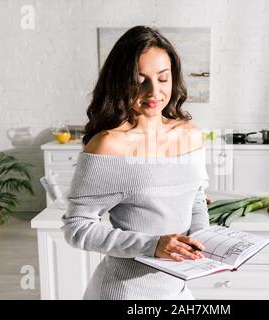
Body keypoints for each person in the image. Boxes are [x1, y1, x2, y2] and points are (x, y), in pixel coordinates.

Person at [61, 25, 210, 300]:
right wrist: (152, 245)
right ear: (120, 83)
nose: (154, 92)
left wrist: (207, 244)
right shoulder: (109, 145)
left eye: (163, 79)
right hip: (124, 293)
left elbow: (196, 200)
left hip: (178, 291)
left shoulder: (190, 135)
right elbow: (77, 227)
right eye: (140, 80)